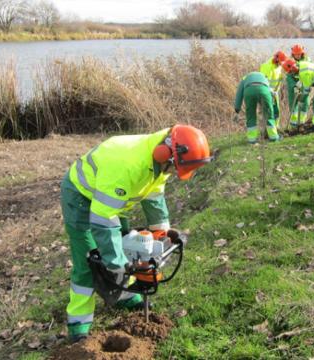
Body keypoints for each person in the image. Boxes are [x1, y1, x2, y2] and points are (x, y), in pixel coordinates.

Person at [60, 125, 213, 342]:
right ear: (166, 153)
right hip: (81, 196)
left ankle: (124, 296)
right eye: (174, 168)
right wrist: (118, 263)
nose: (172, 173)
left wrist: (161, 236)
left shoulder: (160, 162)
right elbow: (103, 219)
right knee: (89, 261)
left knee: (126, 244)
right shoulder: (130, 165)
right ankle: (79, 325)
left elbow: (155, 197)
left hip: (111, 197)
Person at [281, 58, 314, 131]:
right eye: (289, 72)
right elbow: (301, 84)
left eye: (291, 71)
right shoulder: (299, 66)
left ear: (294, 67)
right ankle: (304, 124)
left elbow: (306, 91)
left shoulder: (304, 73)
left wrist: (301, 100)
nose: (291, 73)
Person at [234, 71, 281, 143]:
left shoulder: (245, 78)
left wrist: (237, 108)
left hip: (249, 91)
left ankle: (252, 139)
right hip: (263, 89)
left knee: (251, 115)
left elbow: (239, 93)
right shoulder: (265, 77)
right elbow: (272, 95)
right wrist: (275, 111)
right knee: (269, 115)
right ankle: (274, 137)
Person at [259, 51, 287, 129]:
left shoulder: (279, 67)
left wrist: (277, 91)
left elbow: (280, 79)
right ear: (276, 59)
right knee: (267, 112)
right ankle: (265, 130)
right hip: (266, 93)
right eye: (280, 62)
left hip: (275, 93)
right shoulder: (266, 66)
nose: (281, 64)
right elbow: (264, 82)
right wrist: (270, 92)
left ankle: (276, 128)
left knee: (276, 111)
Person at [286, 44, 311, 126]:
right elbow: (288, 77)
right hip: (294, 85)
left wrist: (305, 84)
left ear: (302, 53)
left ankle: (302, 122)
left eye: (299, 54)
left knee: (305, 102)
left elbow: (311, 73)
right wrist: (295, 86)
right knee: (293, 103)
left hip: (305, 84)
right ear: (293, 54)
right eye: (296, 54)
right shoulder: (289, 62)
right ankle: (293, 124)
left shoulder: (308, 60)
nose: (298, 55)